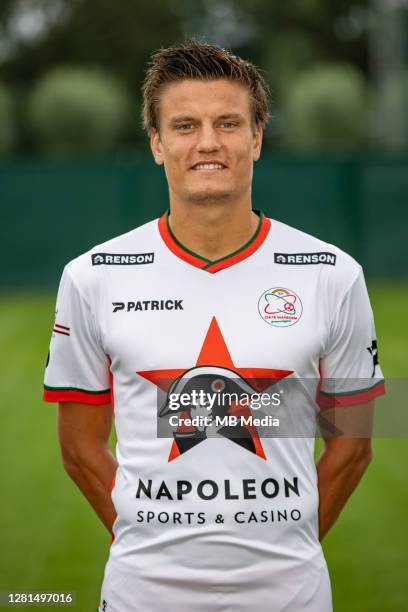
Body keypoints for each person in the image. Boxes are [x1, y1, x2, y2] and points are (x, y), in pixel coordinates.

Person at [43, 39, 385, 612]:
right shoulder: (90, 277)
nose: (208, 143)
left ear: (257, 137)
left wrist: (281, 549)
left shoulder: (334, 274)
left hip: (292, 595)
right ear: (156, 143)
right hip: (141, 594)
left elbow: (355, 446)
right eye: (184, 125)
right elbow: (78, 448)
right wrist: (148, 540)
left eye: (228, 123)